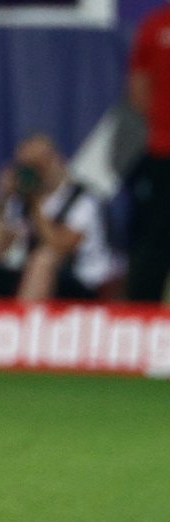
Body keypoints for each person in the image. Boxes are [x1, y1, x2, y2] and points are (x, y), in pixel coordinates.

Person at [0, 134, 115, 301]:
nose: (36, 173)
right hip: (30, 278)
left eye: (40, 164)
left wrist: (35, 205)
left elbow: (60, 246)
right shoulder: (20, 200)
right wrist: (2, 199)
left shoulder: (82, 199)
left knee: (43, 260)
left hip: (78, 280)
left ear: (57, 161)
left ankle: (23, 324)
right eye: (28, 167)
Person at [126, 1, 170, 302]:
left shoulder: (154, 25)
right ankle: (142, 316)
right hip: (163, 150)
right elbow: (138, 87)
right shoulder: (155, 26)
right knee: (157, 238)